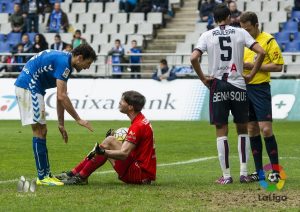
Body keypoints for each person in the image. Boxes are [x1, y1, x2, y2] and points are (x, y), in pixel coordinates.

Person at [190, 4, 265, 184]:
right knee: (242, 130)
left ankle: (226, 176)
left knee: (221, 130)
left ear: (214, 18)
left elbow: (193, 58)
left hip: (218, 84)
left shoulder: (207, 35)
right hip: (239, 84)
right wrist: (252, 74)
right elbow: (261, 52)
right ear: (230, 16)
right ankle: (244, 173)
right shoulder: (240, 32)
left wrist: (203, 79)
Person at [14, 44, 96, 186]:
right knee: (39, 130)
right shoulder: (64, 63)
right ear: (80, 57)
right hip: (29, 86)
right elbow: (62, 96)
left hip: (32, 86)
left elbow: (60, 98)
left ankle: (45, 174)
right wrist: (78, 119)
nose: (87, 67)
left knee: (42, 130)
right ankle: (43, 177)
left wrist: (61, 124)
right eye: (87, 63)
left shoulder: (65, 62)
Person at [56, 90, 156, 185]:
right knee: (108, 142)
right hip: (142, 171)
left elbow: (124, 154)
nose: (120, 103)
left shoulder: (137, 126)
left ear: (130, 107)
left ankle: (80, 177)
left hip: (140, 175)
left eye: (122, 101)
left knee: (108, 143)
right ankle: (74, 174)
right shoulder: (141, 121)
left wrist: (103, 152)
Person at [240, 12, 284, 182]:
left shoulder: (268, 40)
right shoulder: (241, 41)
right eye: (243, 29)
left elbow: (278, 66)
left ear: (257, 25)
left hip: (260, 89)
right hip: (244, 88)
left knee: (265, 129)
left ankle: (275, 172)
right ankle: (259, 173)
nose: (246, 33)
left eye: (249, 29)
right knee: (251, 129)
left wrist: (253, 66)